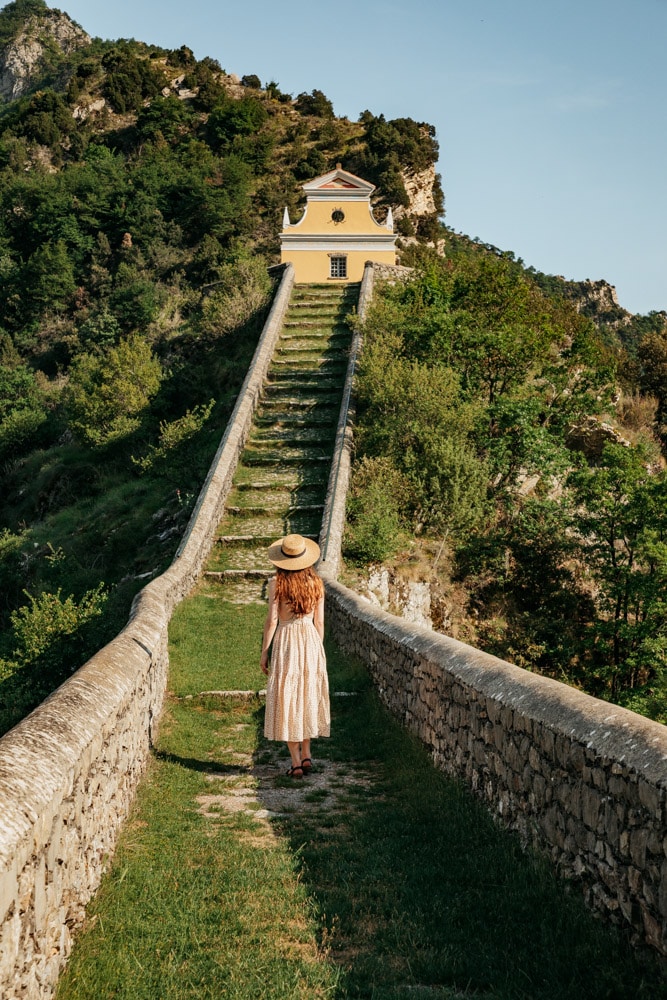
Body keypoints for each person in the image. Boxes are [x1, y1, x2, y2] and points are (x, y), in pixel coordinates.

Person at [260, 533, 330, 777]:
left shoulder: (277, 584)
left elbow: (272, 621)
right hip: (310, 639)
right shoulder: (317, 584)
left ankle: (296, 761)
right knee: (307, 693)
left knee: (288, 696)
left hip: (287, 640)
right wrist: (316, 650)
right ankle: (308, 753)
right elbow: (320, 622)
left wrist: (264, 651)